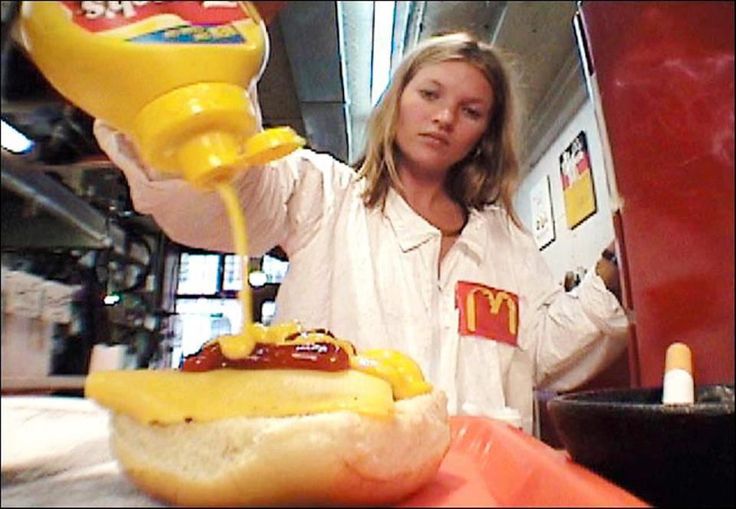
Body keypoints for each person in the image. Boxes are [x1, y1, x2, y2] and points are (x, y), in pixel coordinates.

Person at [93, 32, 628, 433]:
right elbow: (215, 199)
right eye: (430, 94)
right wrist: (194, 84)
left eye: (470, 111)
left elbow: (540, 352)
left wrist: (611, 277)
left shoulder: (505, 241)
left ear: (483, 136)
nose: (444, 118)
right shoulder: (324, 196)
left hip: (479, 485)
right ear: (397, 100)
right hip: (339, 479)